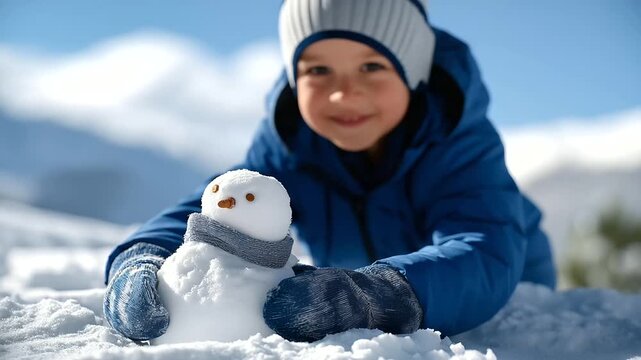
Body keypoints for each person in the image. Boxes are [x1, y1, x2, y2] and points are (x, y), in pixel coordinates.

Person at [103, 0, 557, 343]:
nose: (343, 94)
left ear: (413, 73)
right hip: (368, 284)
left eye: (372, 66)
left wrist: (378, 295)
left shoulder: (457, 139)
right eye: (319, 70)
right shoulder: (290, 145)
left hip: (500, 293)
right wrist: (141, 258)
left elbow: (484, 248)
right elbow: (212, 209)